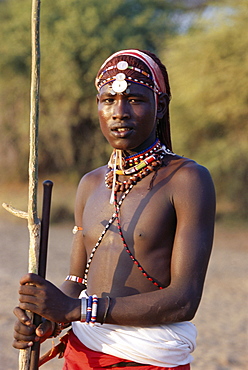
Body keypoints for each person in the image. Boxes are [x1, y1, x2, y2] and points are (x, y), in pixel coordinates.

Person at [13, 49, 216, 370]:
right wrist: (48, 317)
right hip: (84, 352)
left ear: (160, 106)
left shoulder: (187, 179)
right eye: (107, 100)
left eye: (135, 100)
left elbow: (184, 299)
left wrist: (77, 310)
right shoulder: (90, 184)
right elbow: (75, 281)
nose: (119, 112)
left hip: (147, 358)